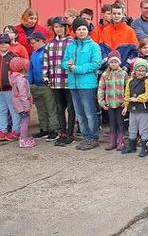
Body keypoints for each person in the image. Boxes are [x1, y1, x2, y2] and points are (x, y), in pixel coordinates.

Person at [61, 17, 102, 151]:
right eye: (79, 29)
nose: (82, 31)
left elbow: (96, 64)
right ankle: (86, 136)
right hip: (74, 84)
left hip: (87, 84)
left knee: (89, 113)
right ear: (74, 31)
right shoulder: (70, 46)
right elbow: (63, 62)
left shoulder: (93, 46)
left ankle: (93, 137)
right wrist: (67, 65)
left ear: (88, 30)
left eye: (84, 29)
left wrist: (78, 69)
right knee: (80, 113)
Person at [44, 16, 76, 147]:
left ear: (66, 28)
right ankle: (62, 132)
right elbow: (46, 61)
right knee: (59, 107)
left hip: (68, 79)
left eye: (61, 26)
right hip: (55, 79)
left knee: (70, 106)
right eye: (56, 27)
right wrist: (45, 76)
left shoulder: (71, 42)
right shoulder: (49, 44)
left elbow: (74, 59)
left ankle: (70, 133)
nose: (58, 29)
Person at [28, 31, 59, 141]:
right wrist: (30, 83)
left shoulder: (47, 51)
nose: (32, 45)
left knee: (51, 108)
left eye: (33, 43)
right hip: (36, 85)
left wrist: (49, 80)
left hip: (46, 85)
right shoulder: (34, 54)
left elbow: (51, 67)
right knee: (41, 109)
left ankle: (53, 129)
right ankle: (44, 129)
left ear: (40, 41)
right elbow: (30, 68)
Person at [97, 50, 128, 151]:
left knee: (120, 122)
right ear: (108, 63)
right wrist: (101, 101)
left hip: (120, 103)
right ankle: (112, 141)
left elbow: (128, 88)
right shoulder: (105, 75)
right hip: (110, 103)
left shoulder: (123, 74)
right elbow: (101, 89)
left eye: (116, 62)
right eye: (111, 62)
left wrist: (126, 101)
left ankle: (121, 141)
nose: (114, 64)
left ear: (119, 62)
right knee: (112, 123)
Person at [122, 58, 148, 155]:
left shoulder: (147, 81)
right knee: (132, 128)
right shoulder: (130, 81)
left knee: (143, 128)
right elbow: (127, 94)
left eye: (143, 71)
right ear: (135, 70)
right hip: (132, 109)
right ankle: (132, 146)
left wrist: (138, 98)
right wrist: (126, 106)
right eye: (139, 70)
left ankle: (145, 148)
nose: (141, 73)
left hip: (143, 109)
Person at [9, 57, 35, 148]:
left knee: (23, 121)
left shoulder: (14, 77)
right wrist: (27, 106)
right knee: (25, 121)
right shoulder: (21, 79)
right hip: (22, 105)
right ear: (22, 67)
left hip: (18, 105)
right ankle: (23, 140)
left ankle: (23, 137)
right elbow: (23, 95)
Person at [0, 34, 20, 141]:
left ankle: (15, 130)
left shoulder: (13, 56)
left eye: (6, 42)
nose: (3, 45)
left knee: (13, 110)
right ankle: (3, 130)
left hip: (10, 89)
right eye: (1, 43)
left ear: (9, 44)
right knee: (1, 110)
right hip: (0, 89)